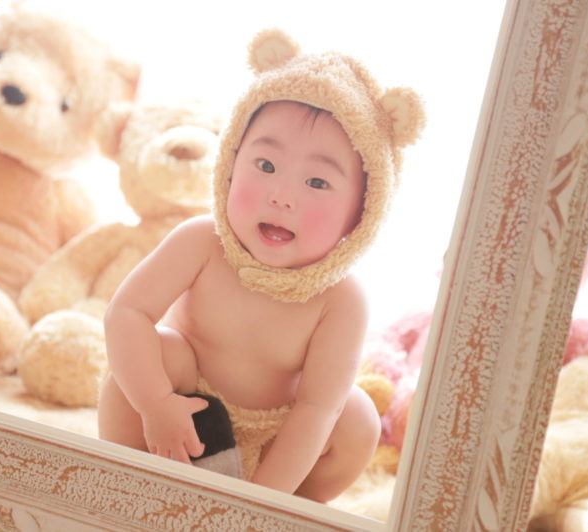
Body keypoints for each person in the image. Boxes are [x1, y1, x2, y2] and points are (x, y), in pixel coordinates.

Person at [98, 28, 424, 503]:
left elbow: (316, 410)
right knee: (156, 355)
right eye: (266, 166)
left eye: (317, 182)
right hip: (179, 415)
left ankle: (288, 510)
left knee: (356, 418)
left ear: (362, 212)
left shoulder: (341, 299)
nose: (282, 196)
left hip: (280, 440)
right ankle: (120, 488)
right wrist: (156, 403)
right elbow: (125, 313)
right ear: (230, 165)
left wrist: (259, 504)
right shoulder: (201, 242)